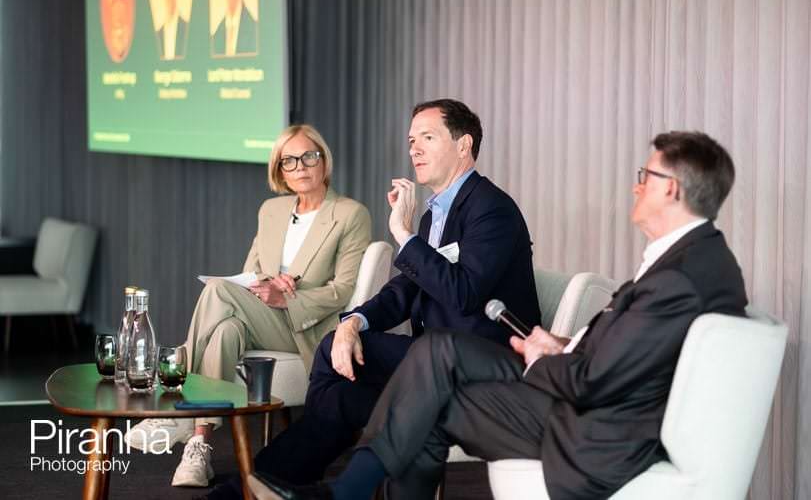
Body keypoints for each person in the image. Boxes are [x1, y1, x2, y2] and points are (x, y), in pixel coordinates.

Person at [259, 131, 749, 500]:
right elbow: (627, 356)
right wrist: (565, 345)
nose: (635, 186)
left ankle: (337, 492)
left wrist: (544, 358)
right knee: (425, 375)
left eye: (646, 176)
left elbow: (593, 382)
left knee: (429, 387)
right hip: (588, 400)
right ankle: (328, 486)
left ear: (674, 189)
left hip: (594, 435)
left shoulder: (679, 279)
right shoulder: (692, 261)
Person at [204, 98, 542, 498]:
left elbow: (462, 293)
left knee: (337, 404)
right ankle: (254, 486)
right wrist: (354, 321)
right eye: (411, 139)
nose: (414, 148)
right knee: (336, 353)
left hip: (476, 365)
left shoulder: (492, 210)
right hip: (427, 357)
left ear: (464, 145)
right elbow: (404, 290)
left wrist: (403, 234)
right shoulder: (437, 213)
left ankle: (262, 486)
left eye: (427, 138)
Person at [125, 124, 372, 488]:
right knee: (225, 330)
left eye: (309, 156)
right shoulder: (271, 210)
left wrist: (289, 295)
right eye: (290, 161)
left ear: (324, 161)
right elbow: (252, 272)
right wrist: (268, 284)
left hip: (308, 327)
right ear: (280, 171)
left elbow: (343, 291)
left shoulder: (350, 214)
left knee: (218, 292)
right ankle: (199, 447)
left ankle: (175, 396)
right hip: (263, 314)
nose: (301, 166)